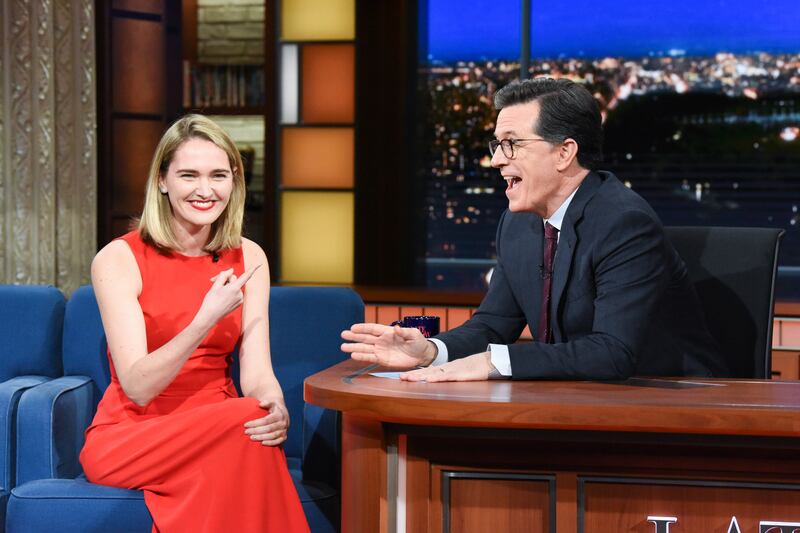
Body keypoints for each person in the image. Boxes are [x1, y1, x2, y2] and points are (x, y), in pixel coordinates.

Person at [341, 78, 728, 382]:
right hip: (577, 400)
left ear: (564, 152)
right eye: (497, 145)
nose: (497, 160)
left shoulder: (624, 223)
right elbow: (494, 325)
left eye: (512, 144)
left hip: (675, 403)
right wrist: (431, 352)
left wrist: (494, 362)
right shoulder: (519, 222)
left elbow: (612, 352)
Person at [80, 115, 309, 532]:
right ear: (162, 181)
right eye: (189, 175)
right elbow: (138, 386)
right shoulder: (118, 259)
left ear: (234, 181)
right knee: (244, 427)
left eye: (218, 175)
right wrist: (206, 318)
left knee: (254, 423)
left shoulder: (250, 256)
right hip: (135, 433)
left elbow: (258, 372)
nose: (205, 190)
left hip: (221, 423)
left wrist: (275, 406)